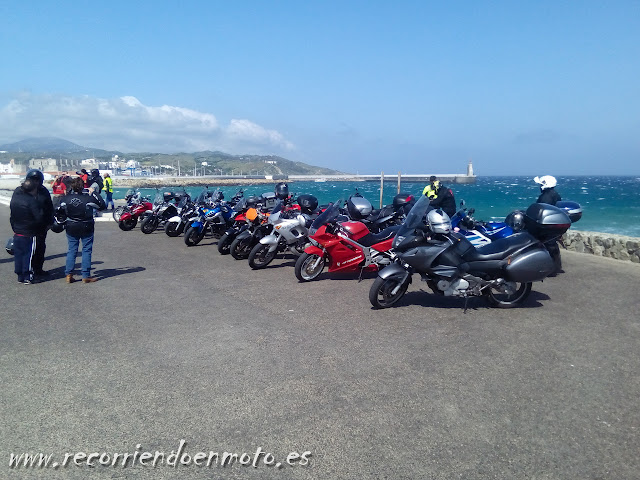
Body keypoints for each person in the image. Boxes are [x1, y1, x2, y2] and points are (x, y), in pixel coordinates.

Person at [60, 177, 106, 283]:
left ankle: (69, 274)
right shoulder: (88, 199)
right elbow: (102, 205)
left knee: (72, 249)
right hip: (86, 225)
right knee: (86, 250)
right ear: (83, 186)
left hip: (71, 224)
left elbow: (59, 211)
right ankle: (85, 275)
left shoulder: (65, 199)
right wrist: (94, 193)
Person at [9, 178, 44, 284]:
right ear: (33, 189)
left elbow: (12, 217)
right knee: (28, 255)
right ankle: (27, 276)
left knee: (18, 254)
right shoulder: (31, 201)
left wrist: (14, 227)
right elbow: (38, 218)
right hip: (29, 231)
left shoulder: (15, 199)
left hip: (17, 231)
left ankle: (20, 275)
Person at [23, 169, 54, 276]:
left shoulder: (44, 191)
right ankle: (28, 270)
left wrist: (50, 222)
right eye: (34, 180)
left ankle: (38, 269)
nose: (36, 182)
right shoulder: (24, 190)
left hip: (42, 225)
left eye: (38, 180)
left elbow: (49, 206)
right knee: (29, 249)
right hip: (28, 225)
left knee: (40, 248)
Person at [534, 175, 563, 274]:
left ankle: (551, 269)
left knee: (547, 244)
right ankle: (555, 267)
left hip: (547, 224)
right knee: (551, 244)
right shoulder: (555, 194)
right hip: (554, 222)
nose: (539, 186)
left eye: (541, 184)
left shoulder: (546, 196)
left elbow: (541, 210)